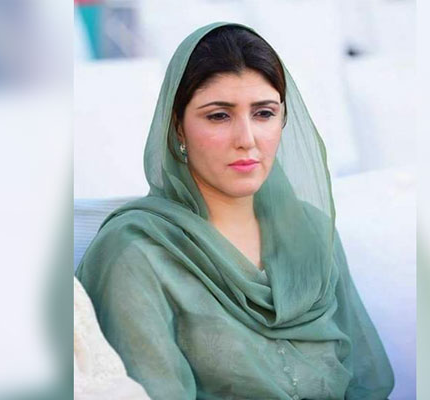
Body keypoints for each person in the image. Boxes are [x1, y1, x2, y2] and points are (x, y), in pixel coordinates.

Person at [75, 22, 394, 399]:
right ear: (177, 127)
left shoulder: (309, 233)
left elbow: (366, 380)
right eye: (219, 116)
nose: (247, 139)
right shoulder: (136, 254)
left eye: (264, 113)